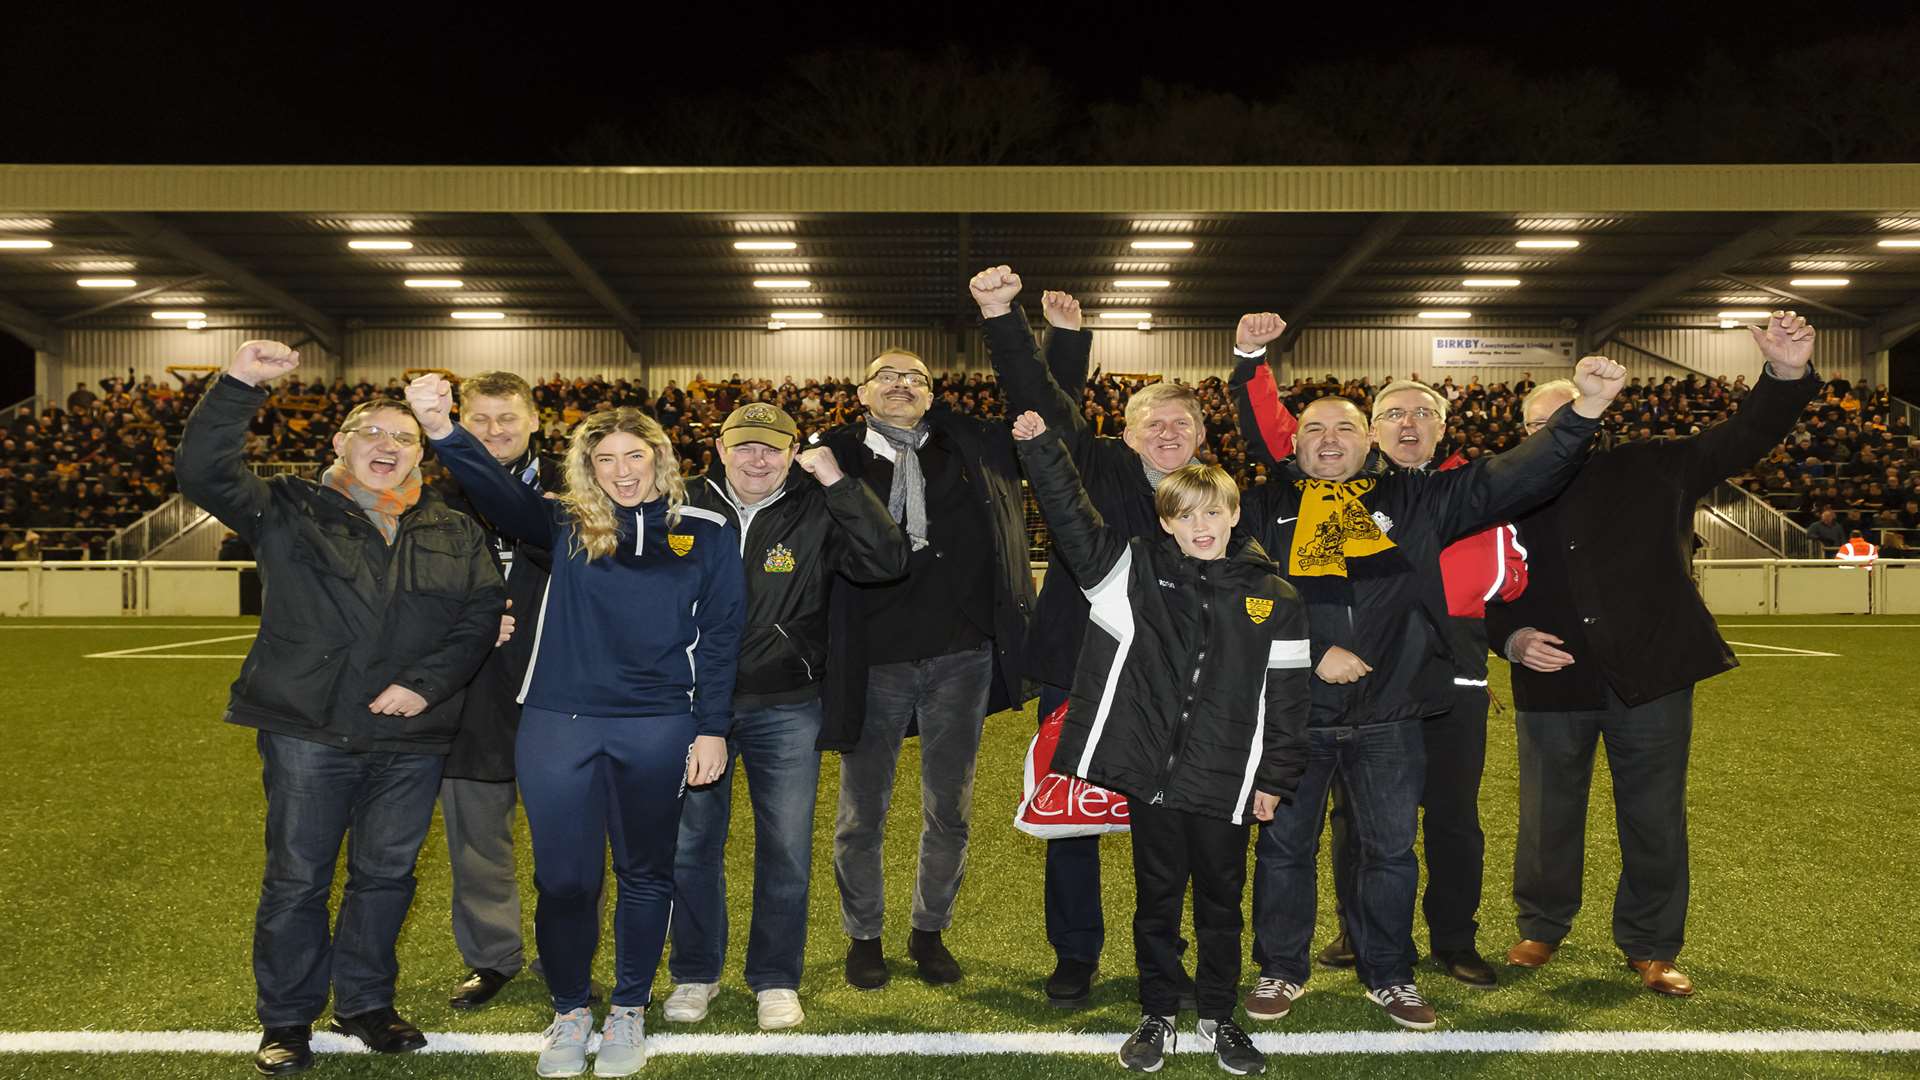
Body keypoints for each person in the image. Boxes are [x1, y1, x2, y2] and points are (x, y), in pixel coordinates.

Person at [1230, 325, 1622, 1031]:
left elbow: (1515, 476)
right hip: (1292, 715)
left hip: (1390, 716)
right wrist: (1316, 646)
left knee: (1389, 852)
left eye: (1342, 427)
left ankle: (1391, 975)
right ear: (1292, 443)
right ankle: (1280, 970)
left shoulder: (1416, 502)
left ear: (1366, 440)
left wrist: (1583, 413)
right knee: (1284, 850)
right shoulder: (1259, 509)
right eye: (1311, 428)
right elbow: (1238, 595)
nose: (1327, 439)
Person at [178, 342, 506, 1077]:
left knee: (386, 877)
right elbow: (200, 470)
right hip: (308, 730)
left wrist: (425, 685)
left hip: (414, 735)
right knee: (298, 878)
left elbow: (482, 613)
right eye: (373, 434)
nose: (388, 448)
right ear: (340, 443)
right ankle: (288, 1019)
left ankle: (365, 1004)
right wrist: (237, 385)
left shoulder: (453, 526)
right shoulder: (287, 506)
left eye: (405, 438)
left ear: (423, 452)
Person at [406, 375, 745, 1078]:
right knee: (564, 881)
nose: (622, 472)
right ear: (586, 467)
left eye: (634, 456)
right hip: (560, 725)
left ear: (659, 458)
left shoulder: (706, 533)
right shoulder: (561, 525)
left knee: (647, 873)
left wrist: (711, 728)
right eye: (605, 460)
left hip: (659, 724)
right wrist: (442, 429)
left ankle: (627, 1010)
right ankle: (568, 1010)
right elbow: (496, 493)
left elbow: (721, 637)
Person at [1488, 311, 1819, 998]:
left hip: (1654, 673)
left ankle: (1651, 945)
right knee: (1547, 817)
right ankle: (1542, 927)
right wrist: (1511, 640)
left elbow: (1745, 437)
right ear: (1521, 436)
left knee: (1654, 817)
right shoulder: (1498, 491)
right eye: (1540, 425)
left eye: (1574, 416)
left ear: (1600, 420)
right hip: (1551, 681)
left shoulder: (1657, 465)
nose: (1557, 433)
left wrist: (1784, 373)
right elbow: (1474, 586)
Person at [1011, 407, 1310, 1076]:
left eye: (1213, 514)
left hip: (1228, 780)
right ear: (1166, 522)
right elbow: (1073, 524)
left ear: (1235, 516)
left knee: (1221, 903)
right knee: (1156, 900)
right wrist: (1042, 456)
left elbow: (1290, 700)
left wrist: (1274, 780)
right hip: (1152, 777)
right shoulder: (1130, 574)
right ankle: (1158, 1011)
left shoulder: (1276, 596)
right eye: (1186, 516)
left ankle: (1218, 1015)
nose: (1200, 527)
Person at [1231, 336, 1527, 989]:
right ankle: (1321, 949)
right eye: (1394, 414)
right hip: (1317, 703)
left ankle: (1440, 945)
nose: (1408, 425)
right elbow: (1246, 600)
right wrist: (1249, 359)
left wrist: (1584, 416)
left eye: (1421, 414)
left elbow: (1504, 564)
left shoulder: (1438, 497)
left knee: (1437, 822)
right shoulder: (1274, 505)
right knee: (1320, 836)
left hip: (1426, 687)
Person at [970, 264, 1206, 1007]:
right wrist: (1006, 319)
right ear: (1128, 429)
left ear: (1202, 434)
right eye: (1153, 423)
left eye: (1182, 424)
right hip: (1078, 671)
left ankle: (1162, 948)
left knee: (1165, 828)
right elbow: (1040, 398)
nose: (1167, 434)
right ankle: (1076, 954)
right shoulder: (1095, 462)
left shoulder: (1213, 494)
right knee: (1071, 821)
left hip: (1174, 685)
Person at [663, 402, 909, 1030]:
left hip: (785, 705)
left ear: (793, 449)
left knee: (786, 849)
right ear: (719, 447)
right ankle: (696, 972)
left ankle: (775, 977)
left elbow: (887, 560)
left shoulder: (820, 502)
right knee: (691, 847)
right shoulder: (680, 502)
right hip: (691, 706)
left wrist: (838, 482)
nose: (757, 459)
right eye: (744, 446)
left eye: (771, 448)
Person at [813, 344, 1036, 990]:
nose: (902, 384)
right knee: (862, 810)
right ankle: (865, 936)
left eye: (916, 377)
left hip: (960, 657)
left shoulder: (969, 448)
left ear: (933, 395)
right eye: (886, 375)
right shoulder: (831, 457)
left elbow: (1039, 412)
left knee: (951, 808)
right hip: (873, 658)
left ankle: (929, 930)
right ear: (861, 393)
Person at [431, 371, 565, 1011]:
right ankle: (492, 959)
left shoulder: (576, 489)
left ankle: (563, 953)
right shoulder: (432, 498)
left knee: (566, 841)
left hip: (558, 690)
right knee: (478, 839)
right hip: (471, 692)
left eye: (506, 418)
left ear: (535, 420)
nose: (494, 431)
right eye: (478, 420)